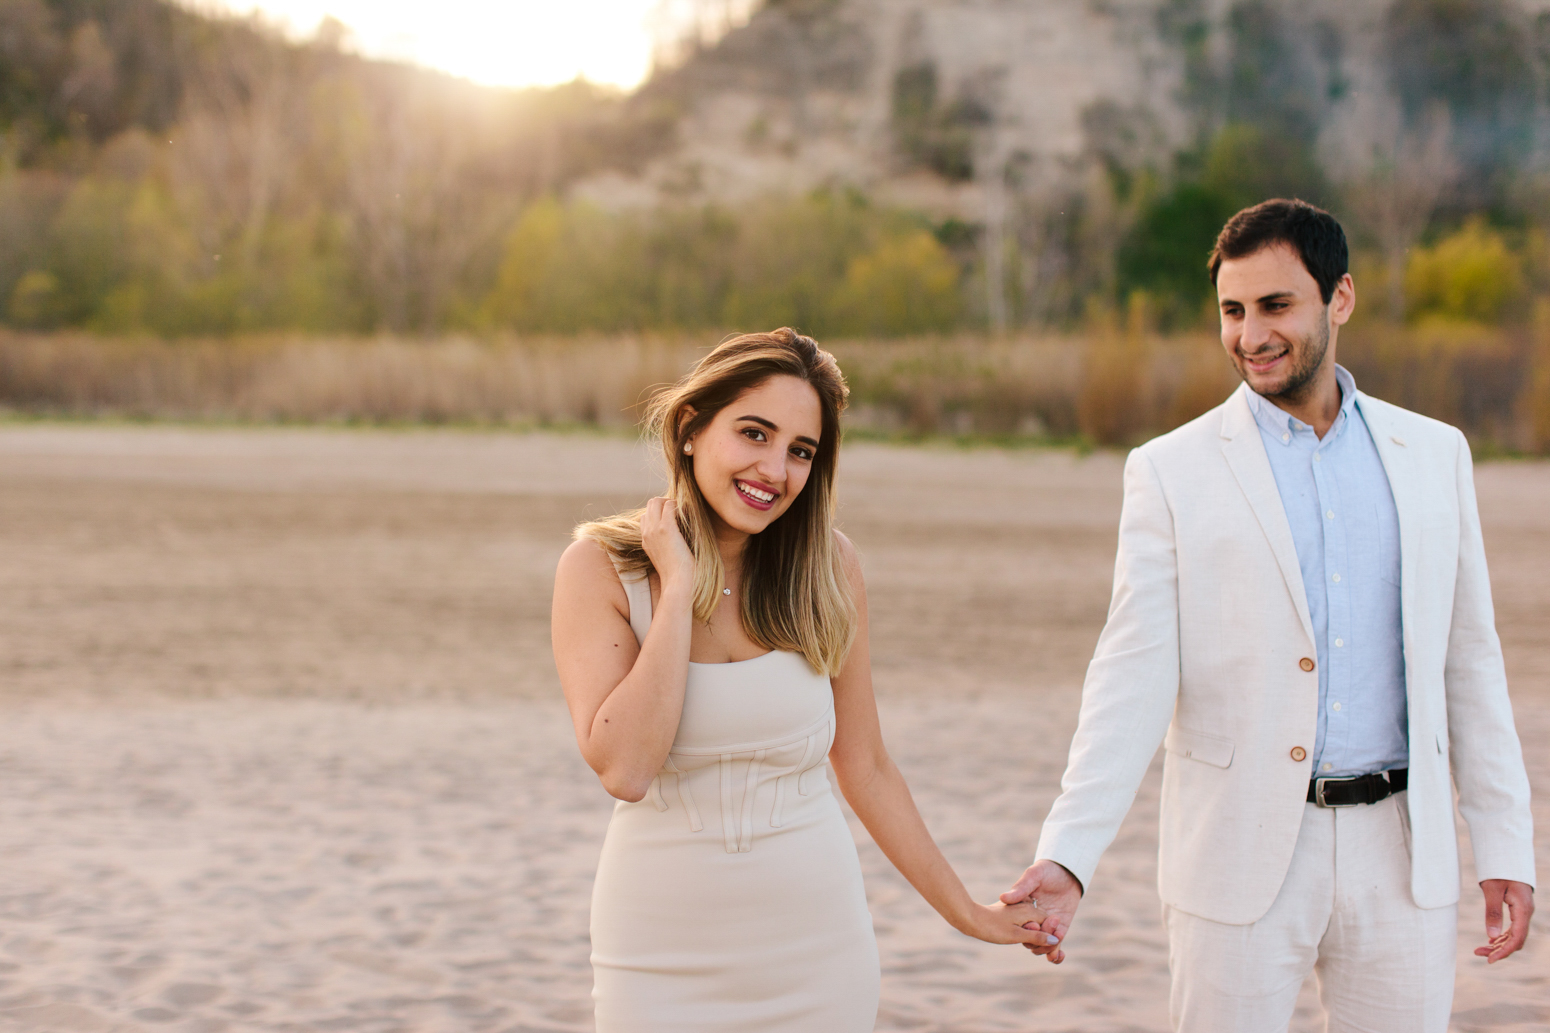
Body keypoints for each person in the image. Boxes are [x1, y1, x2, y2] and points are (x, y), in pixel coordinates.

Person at [1002, 199, 1536, 1030]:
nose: (1250, 334)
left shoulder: (1435, 454)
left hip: (1401, 855)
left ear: (1340, 299)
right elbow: (1132, 673)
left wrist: (1505, 846)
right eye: (1232, 310)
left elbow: (1469, 660)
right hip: (1236, 854)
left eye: (1276, 306)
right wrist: (1070, 851)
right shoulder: (1169, 471)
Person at [551, 328, 1053, 1032]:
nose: (775, 469)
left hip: (817, 949)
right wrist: (677, 587)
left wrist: (969, 912)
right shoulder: (599, 569)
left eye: (800, 450)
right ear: (692, 428)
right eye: (754, 433)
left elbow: (867, 765)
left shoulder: (830, 569)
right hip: (657, 954)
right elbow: (626, 767)